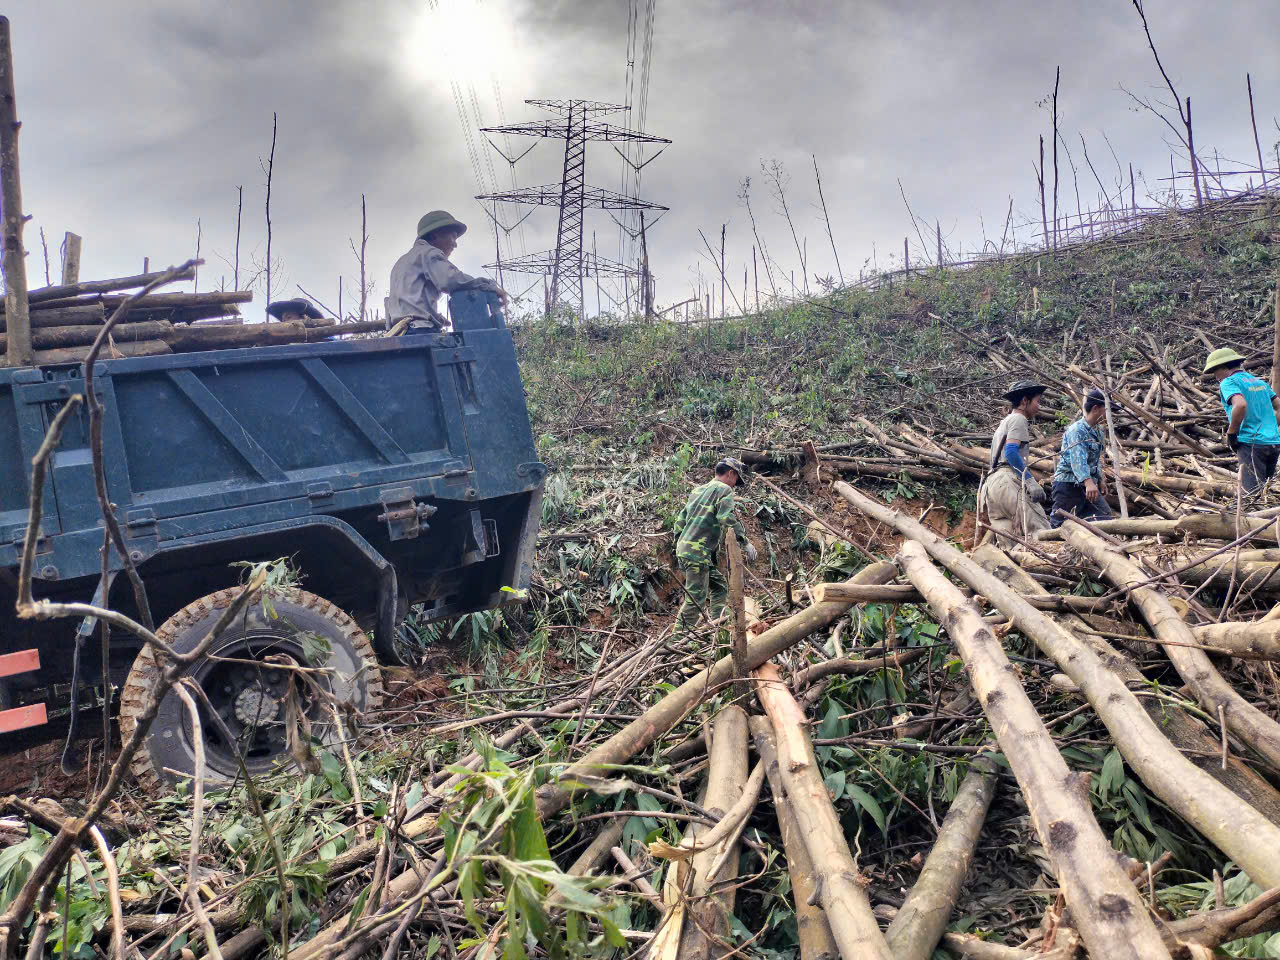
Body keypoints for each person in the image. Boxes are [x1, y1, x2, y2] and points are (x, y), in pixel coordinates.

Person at [672, 457, 758, 632]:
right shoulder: (724, 490)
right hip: (697, 554)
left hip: (687, 551)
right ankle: (676, 642)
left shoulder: (697, 490)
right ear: (730, 473)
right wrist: (745, 542)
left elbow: (680, 522)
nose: (734, 485)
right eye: (736, 480)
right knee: (695, 601)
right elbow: (726, 518)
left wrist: (680, 546)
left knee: (719, 587)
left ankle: (716, 629)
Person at [387, 210, 509, 330]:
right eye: (453, 237)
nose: (455, 244)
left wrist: (435, 317)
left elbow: (410, 303)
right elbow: (451, 280)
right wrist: (489, 286)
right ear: (434, 236)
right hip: (419, 329)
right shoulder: (428, 253)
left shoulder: (401, 262)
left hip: (400, 332)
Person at [978, 380, 1051, 547]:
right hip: (1008, 481)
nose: (1039, 407)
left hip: (993, 486)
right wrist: (1030, 481)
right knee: (1040, 531)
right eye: (1037, 401)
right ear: (1025, 401)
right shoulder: (1019, 419)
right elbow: (1011, 452)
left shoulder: (1006, 421)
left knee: (1009, 544)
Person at [1205, 347, 1280, 496]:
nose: (1215, 377)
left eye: (1215, 372)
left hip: (1251, 443)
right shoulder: (1259, 382)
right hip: (1273, 443)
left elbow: (1240, 405)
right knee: (1265, 492)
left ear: (1224, 367)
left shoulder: (1228, 382)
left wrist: (1232, 432)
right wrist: (1272, 427)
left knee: (1251, 495)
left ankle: (1251, 519)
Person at [1050, 388, 1112, 527]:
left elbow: (1096, 459)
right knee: (1060, 523)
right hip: (1069, 484)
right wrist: (1089, 482)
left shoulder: (1099, 431)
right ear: (1096, 408)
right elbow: (1078, 460)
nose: (1108, 414)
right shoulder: (1076, 430)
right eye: (1105, 410)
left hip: (1087, 485)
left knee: (1104, 516)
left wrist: (1100, 479)